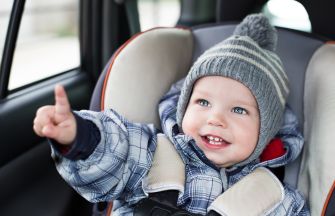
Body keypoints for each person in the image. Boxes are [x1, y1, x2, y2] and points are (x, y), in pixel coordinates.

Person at [33, 14, 309, 215]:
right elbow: (116, 151)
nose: (216, 119)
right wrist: (81, 136)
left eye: (239, 110)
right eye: (202, 102)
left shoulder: (276, 198)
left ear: (266, 131)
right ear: (183, 108)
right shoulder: (154, 153)